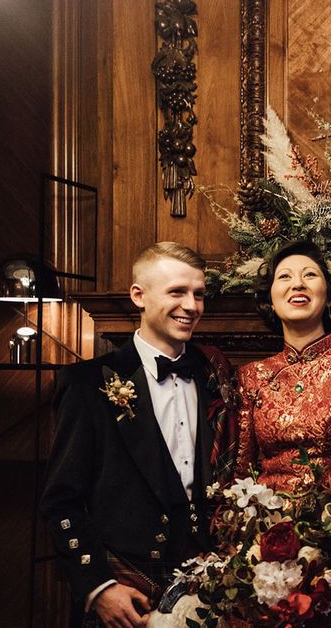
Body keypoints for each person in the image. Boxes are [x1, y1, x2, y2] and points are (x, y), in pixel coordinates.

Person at [41, 242, 236, 628]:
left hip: (207, 586)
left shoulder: (214, 374)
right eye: (177, 292)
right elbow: (61, 501)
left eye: (198, 294)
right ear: (139, 296)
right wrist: (98, 586)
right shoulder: (87, 384)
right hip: (127, 587)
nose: (192, 306)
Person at [235, 240, 331, 521]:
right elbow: (241, 471)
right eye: (284, 276)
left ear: (329, 297)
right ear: (270, 300)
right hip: (262, 538)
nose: (297, 284)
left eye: (309, 274)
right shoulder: (251, 375)